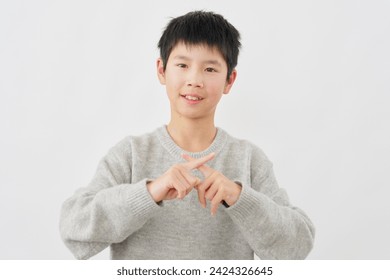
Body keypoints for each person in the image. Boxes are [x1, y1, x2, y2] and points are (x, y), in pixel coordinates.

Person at [60, 10, 315, 260]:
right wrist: (150, 192)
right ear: (161, 70)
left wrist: (239, 197)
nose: (194, 80)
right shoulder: (131, 155)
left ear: (230, 80)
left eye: (210, 69)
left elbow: (296, 248)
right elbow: (74, 231)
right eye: (182, 65)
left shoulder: (249, 160)